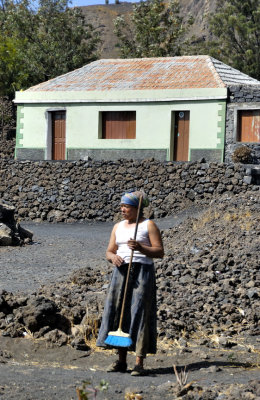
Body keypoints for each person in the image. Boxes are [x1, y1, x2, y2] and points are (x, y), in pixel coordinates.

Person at [96, 191, 164, 376]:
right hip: (121, 271)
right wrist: (113, 258)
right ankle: (121, 361)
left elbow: (159, 252)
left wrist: (141, 248)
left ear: (137, 208)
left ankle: (139, 362)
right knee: (120, 312)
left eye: (126, 206)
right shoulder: (118, 226)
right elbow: (109, 251)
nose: (122, 209)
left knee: (139, 311)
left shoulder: (148, 225)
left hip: (142, 271)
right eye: (122, 206)